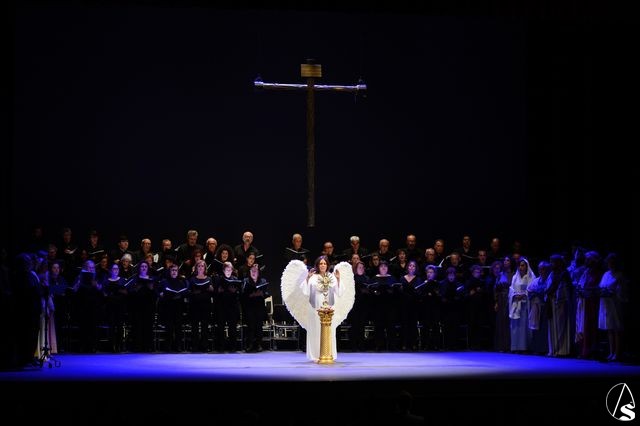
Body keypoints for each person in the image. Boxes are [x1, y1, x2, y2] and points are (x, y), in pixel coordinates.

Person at [281, 256, 355, 362]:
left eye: (324, 263)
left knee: (330, 330)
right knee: (315, 329)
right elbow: (305, 292)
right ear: (317, 265)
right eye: (321, 263)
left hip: (329, 308)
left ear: (327, 265)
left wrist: (338, 279)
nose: (323, 265)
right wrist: (307, 278)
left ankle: (329, 353)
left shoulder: (332, 276)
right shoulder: (313, 277)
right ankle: (315, 355)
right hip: (315, 307)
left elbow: (339, 292)